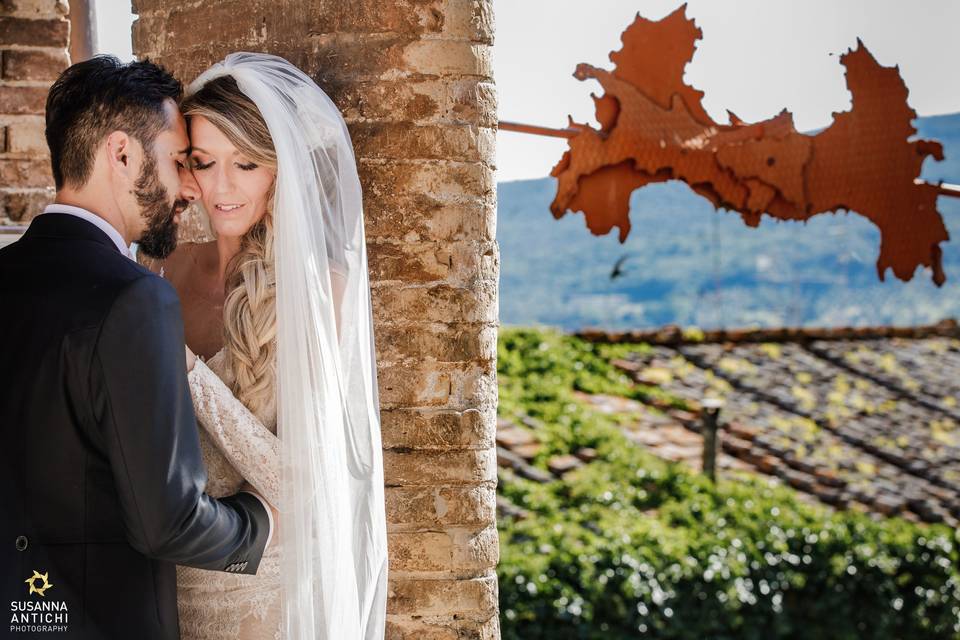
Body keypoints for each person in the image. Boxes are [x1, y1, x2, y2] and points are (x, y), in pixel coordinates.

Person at [0, 56, 277, 640]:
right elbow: (167, 525)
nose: (188, 188)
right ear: (122, 154)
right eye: (181, 161)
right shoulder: (136, 299)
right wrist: (258, 526)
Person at [140, 53, 388, 639]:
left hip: (263, 599)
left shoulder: (320, 290)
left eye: (245, 164)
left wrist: (187, 371)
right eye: (204, 163)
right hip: (162, 587)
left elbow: (307, 484)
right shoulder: (161, 271)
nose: (221, 188)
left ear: (278, 171)